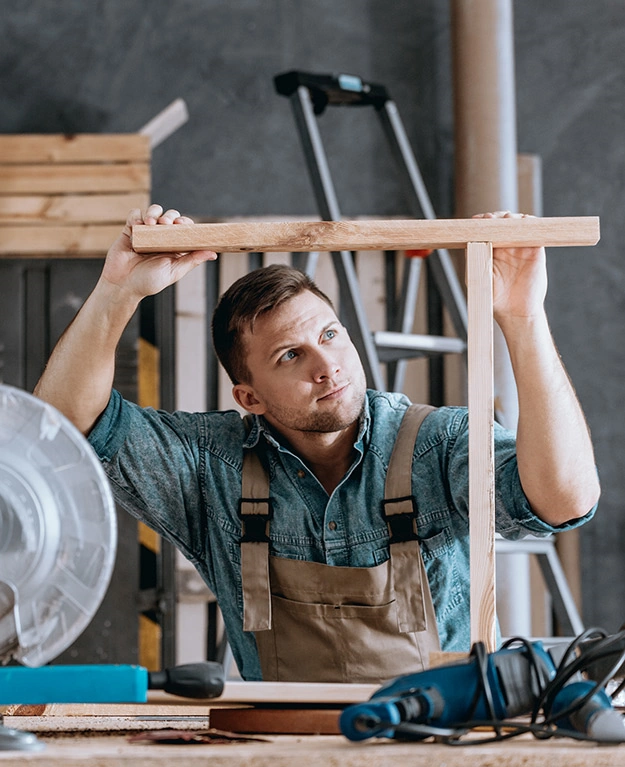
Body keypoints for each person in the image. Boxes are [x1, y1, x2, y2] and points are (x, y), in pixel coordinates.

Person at [34, 204, 600, 683]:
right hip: (285, 754)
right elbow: (62, 427)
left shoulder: (439, 444)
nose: (328, 366)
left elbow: (564, 501)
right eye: (291, 355)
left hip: (444, 747)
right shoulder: (212, 469)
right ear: (249, 397)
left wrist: (524, 319)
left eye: (330, 335)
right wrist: (116, 293)